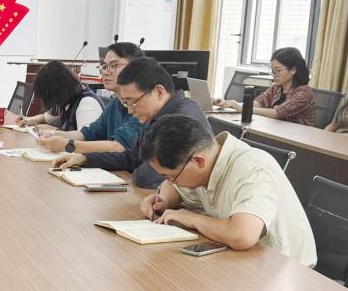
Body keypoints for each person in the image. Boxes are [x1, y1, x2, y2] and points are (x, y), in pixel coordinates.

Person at [139, 115, 317, 267]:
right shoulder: (208, 158)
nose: (170, 181)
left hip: (285, 267)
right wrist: (162, 201)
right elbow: (174, 188)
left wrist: (192, 218)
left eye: (171, 176)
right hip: (244, 258)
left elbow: (242, 235)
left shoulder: (252, 168)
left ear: (198, 161)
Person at [51, 57, 208, 188]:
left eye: (133, 102)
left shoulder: (182, 120)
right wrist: (85, 158)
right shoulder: (156, 115)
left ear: (159, 92)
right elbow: (131, 157)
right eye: (126, 103)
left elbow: (146, 177)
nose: (130, 110)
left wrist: (136, 169)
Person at [35, 42, 145, 154]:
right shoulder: (115, 104)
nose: (105, 72)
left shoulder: (143, 107)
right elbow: (87, 133)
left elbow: (119, 147)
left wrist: (67, 145)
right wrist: (54, 134)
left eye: (113, 65)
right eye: (104, 67)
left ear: (134, 68)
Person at [213, 47, 315, 125]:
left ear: (293, 70)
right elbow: (258, 103)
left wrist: (240, 108)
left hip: (298, 137)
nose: (274, 74)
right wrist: (229, 104)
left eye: (278, 70)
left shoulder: (304, 92)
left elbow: (277, 113)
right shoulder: (276, 87)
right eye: (272, 71)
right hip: (277, 130)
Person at [13, 60, 102, 132]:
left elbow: (86, 140)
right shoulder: (67, 99)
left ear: (59, 90)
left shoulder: (87, 104)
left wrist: (54, 131)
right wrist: (30, 120)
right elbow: (47, 117)